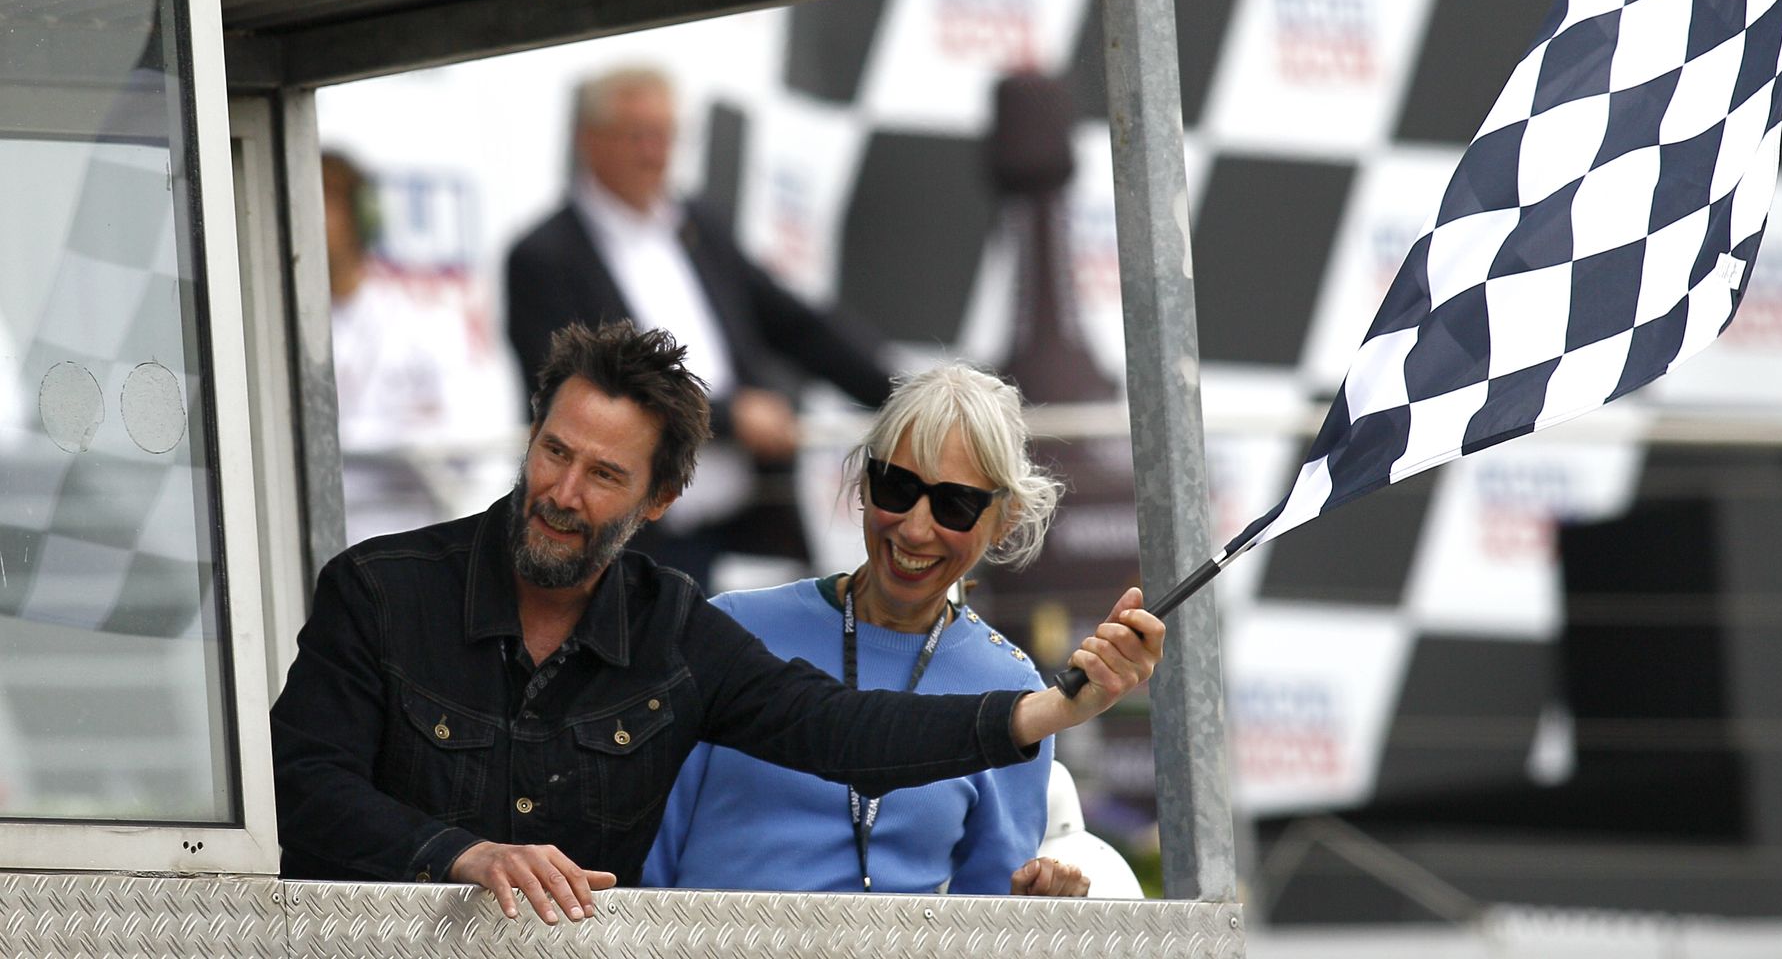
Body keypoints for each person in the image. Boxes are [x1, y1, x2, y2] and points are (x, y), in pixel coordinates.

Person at [271, 322, 1163, 925]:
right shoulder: (379, 590)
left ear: (661, 500)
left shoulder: (679, 635)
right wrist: (463, 855)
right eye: (554, 452)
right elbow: (303, 788)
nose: (564, 493)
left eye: (605, 475)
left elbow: (845, 733)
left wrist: (1049, 712)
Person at [643, 362, 1097, 896]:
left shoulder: (1012, 686)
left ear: (1005, 520)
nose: (915, 527)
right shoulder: (731, 626)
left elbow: (990, 912)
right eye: (897, 487)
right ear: (863, 482)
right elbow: (647, 859)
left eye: (955, 505)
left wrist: (1037, 907)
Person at [504, 65, 891, 588]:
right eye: (636, 134)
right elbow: (581, 395)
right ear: (589, 141)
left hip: (746, 520)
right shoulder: (544, 257)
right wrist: (731, 416)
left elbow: (795, 324)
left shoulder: (697, 225)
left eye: (665, 134)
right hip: (636, 539)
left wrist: (898, 395)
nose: (654, 152)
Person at [324, 151, 516, 543]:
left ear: (363, 217)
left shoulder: (424, 323)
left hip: (407, 543)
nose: (308, 214)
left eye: (328, 197)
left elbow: (465, 441)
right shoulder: (257, 328)